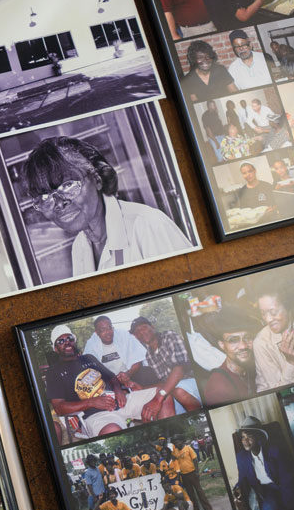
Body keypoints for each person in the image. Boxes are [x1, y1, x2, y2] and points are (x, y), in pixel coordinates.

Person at [23, 137, 192, 278]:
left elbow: (192, 294)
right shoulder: (80, 247)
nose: (59, 203)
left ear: (96, 179)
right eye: (44, 197)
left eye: (68, 186)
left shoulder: (148, 226)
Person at [44, 324, 172, 437]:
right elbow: (59, 407)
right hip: (96, 415)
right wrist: (92, 402)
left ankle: (167, 438)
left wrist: (118, 390)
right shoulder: (53, 372)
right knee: (112, 430)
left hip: (122, 402)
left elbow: (111, 377)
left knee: (162, 395)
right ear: (55, 348)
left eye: (69, 339)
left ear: (74, 341)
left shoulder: (88, 358)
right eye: (61, 341)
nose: (67, 342)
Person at [129, 317, 202, 415]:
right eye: (137, 331)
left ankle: (201, 416)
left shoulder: (169, 336)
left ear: (152, 327)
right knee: (160, 407)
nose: (141, 332)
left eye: (144, 327)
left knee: (177, 392)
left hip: (194, 383)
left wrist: (159, 397)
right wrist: (142, 388)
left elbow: (180, 369)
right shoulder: (149, 355)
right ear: (136, 337)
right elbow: (163, 382)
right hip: (173, 389)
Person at [235, 416, 294, 510]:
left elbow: (286, 478)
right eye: (243, 437)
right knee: (270, 509)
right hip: (265, 491)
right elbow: (242, 478)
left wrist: (287, 503)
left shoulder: (274, 451)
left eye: (249, 436)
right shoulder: (241, 457)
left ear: (258, 437)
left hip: (283, 486)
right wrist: (237, 488)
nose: (245, 440)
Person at [200, 305, 258, 406]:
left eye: (247, 337)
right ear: (222, 344)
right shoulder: (218, 390)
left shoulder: (251, 367)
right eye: (233, 340)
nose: (243, 346)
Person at [83, 315, 147, 381]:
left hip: (131, 375)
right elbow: (90, 371)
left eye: (109, 328)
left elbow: (138, 358)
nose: (108, 332)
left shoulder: (123, 336)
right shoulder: (91, 346)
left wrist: (128, 374)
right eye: (103, 330)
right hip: (108, 382)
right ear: (96, 332)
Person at [171, 435, 213, 510]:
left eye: (178, 442)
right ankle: (196, 508)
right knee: (190, 493)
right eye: (175, 443)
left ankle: (207, 508)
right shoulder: (175, 451)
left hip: (192, 473)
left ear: (181, 441)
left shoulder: (188, 448)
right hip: (183, 475)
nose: (177, 444)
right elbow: (174, 459)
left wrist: (197, 472)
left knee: (199, 491)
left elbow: (195, 460)